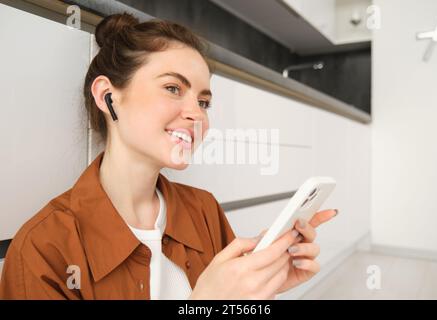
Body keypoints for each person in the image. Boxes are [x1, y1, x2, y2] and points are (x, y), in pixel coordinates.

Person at [0, 13, 337, 300]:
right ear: (108, 97)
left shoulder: (205, 211)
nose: (197, 114)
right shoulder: (43, 250)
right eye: (173, 88)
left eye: (203, 102)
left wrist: (266, 286)